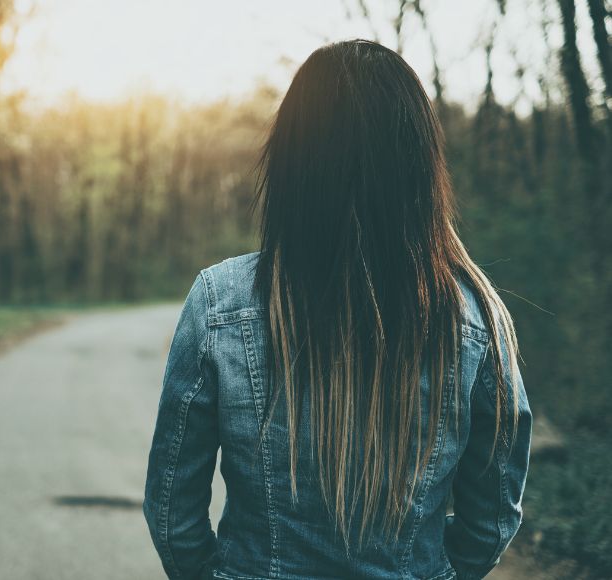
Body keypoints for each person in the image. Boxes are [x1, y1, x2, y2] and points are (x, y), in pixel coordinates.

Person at [143, 39, 532, 580]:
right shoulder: (474, 318)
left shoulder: (220, 302)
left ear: (292, 161)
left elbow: (171, 512)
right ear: (418, 166)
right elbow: (489, 520)